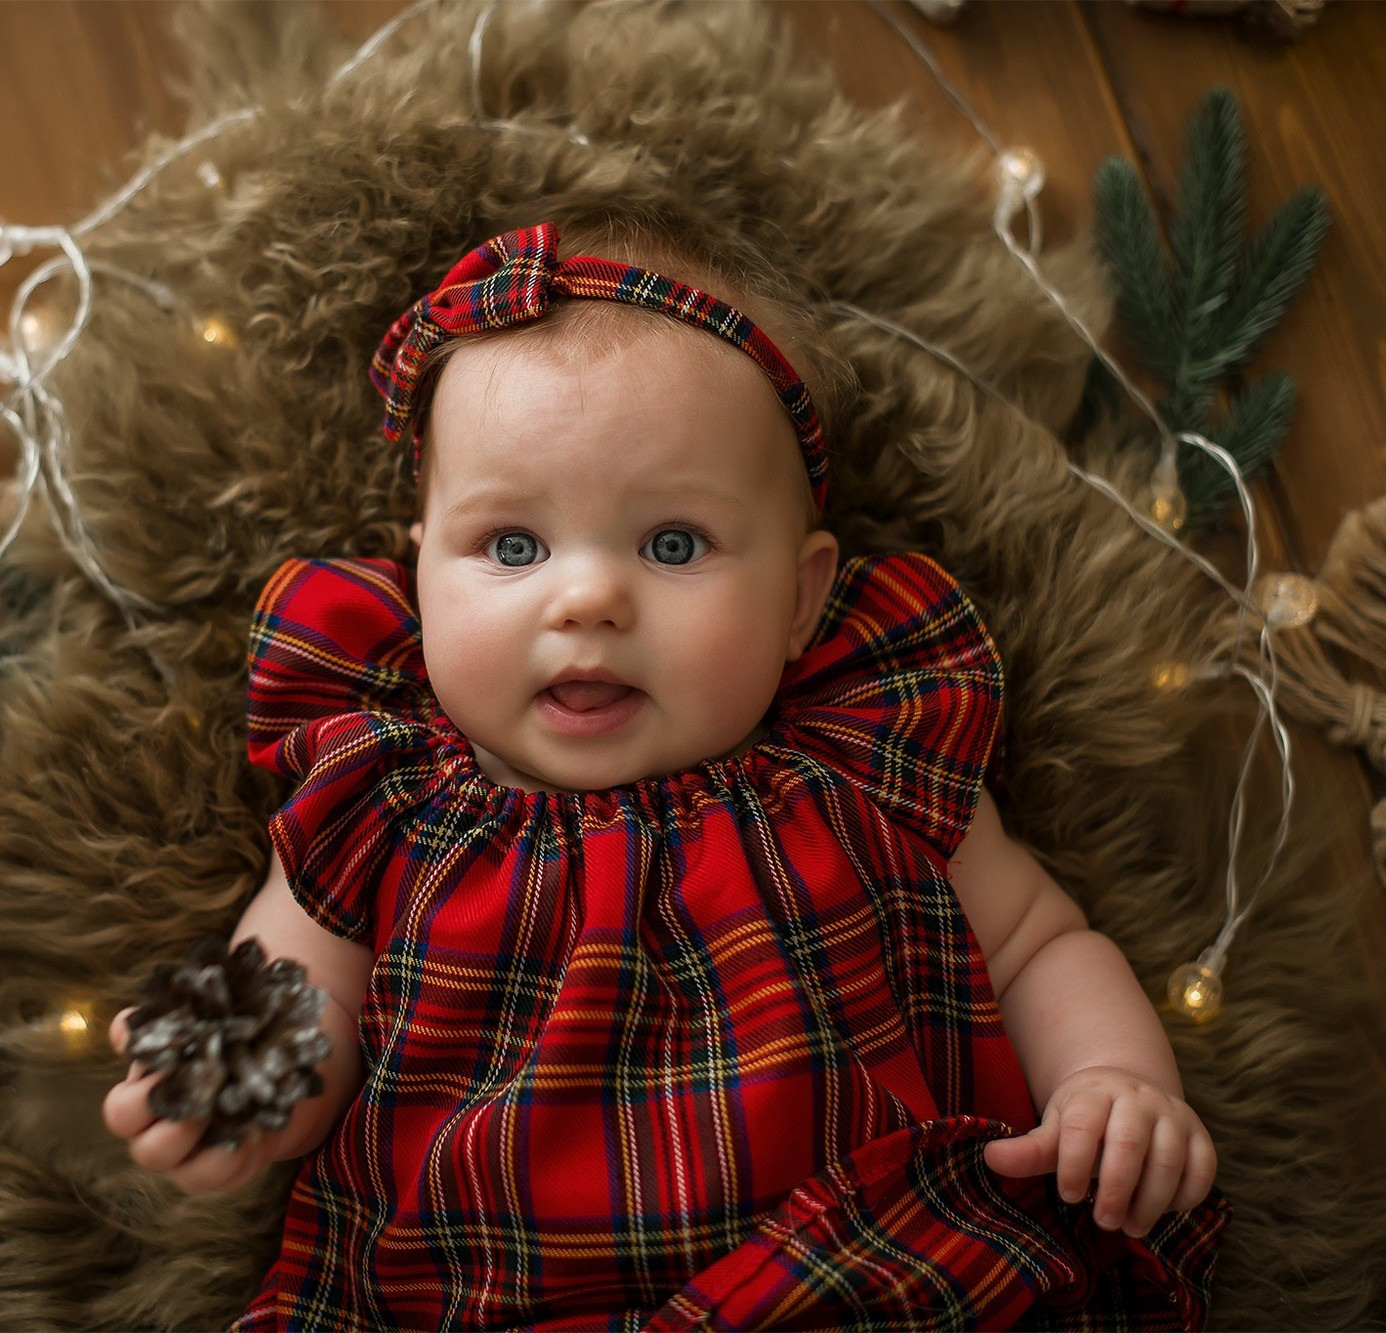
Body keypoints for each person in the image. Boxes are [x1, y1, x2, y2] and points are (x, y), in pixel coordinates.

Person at [104, 215, 1228, 1329]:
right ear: (417, 578)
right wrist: (233, 1087)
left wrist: (1112, 1081)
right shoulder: (383, 797)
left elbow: (1036, 942)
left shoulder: (854, 758)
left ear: (799, 599)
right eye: (510, 547)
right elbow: (299, 1000)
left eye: (673, 544)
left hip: (852, 1259)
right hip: (477, 1288)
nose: (585, 599)